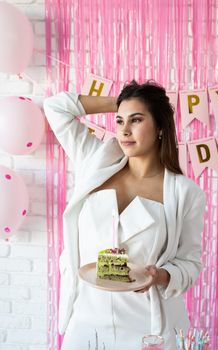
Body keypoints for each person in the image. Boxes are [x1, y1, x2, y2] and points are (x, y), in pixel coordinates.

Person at [43, 80, 206, 350]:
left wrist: (160, 276)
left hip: (148, 327)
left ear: (161, 127)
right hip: (86, 320)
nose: (125, 130)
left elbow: (190, 264)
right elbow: (56, 107)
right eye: (119, 121)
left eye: (137, 120)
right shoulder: (94, 160)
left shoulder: (185, 193)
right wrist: (120, 102)